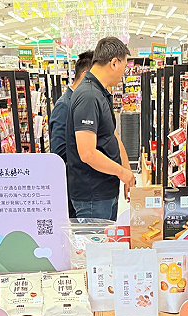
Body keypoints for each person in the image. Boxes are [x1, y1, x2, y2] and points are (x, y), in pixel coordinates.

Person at [66, 36, 135, 220]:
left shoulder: (99, 93)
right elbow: (87, 153)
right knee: (94, 239)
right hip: (92, 196)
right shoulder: (88, 96)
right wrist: (122, 173)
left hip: (104, 191)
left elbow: (111, 136)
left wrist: (127, 173)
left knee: (106, 239)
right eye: (125, 67)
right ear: (114, 63)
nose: (124, 73)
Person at [49, 50, 93, 219]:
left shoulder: (83, 102)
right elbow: (59, 153)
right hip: (75, 188)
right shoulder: (65, 105)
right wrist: (89, 153)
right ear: (86, 75)